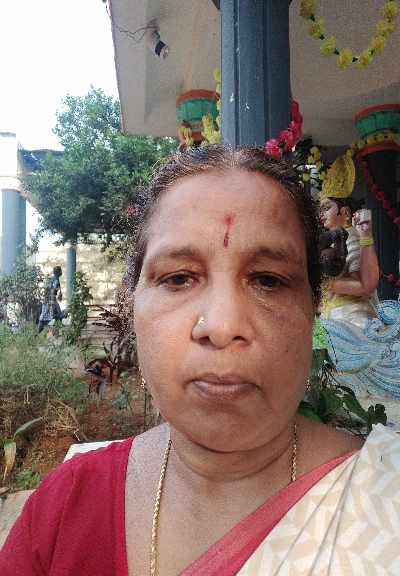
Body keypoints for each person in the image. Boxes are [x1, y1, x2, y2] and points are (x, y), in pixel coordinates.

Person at [1, 145, 399, 575]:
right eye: (178, 278)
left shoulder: (385, 498)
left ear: (313, 308)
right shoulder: (63, 511)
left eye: (268, 280)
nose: (222, 326)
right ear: (132, 304)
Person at [319, 155, 400, 400]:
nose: (321, 213)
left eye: (326, 207)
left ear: (344, 212)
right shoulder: (330, 241)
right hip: (333, 317)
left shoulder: (349, 237)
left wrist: (327, 284)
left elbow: (365, 285)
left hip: (350, 321)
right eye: (320, 209)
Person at [38, 266, 64, 333]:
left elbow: (46, 290)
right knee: (47, 317)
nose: (61, 272)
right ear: (58, 272)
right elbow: (53, 290)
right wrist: (53, 301)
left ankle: (56, 332)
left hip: (47, 300)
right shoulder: (56, 280)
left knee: (48, 317)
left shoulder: (50, 279)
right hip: (51, 301)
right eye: (60, 270)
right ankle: (39, 333)